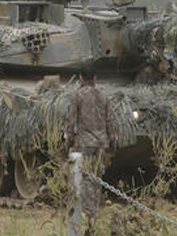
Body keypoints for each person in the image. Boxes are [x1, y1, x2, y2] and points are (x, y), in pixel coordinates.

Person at [66, 64, 117, 234]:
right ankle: (93, 216)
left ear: (80, 78)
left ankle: (88, 221)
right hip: (101, 145)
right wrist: (112, 145)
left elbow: (71, 123)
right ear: (95, 78)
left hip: (84, 144)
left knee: (85, 181)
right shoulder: (104, 96)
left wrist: (68, 144)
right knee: (97, 181)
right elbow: (111, 122)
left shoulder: (77, 96)